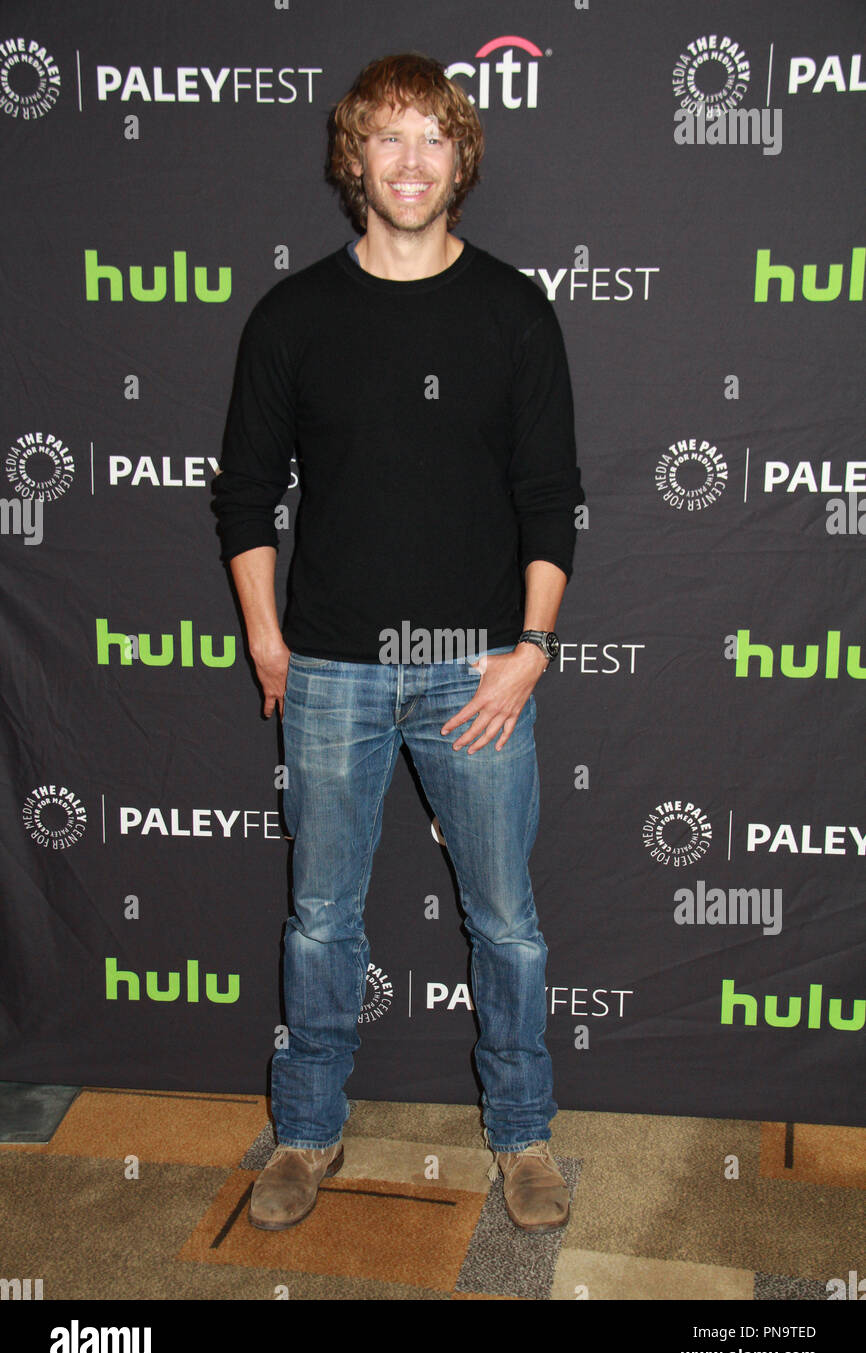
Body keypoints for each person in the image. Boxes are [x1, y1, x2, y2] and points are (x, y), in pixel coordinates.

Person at [212, 51, 583, 1236]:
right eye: (388, 137)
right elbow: (243, 497)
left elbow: (550, 495)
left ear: (459, 158)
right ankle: (307, 1132)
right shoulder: (293, 315)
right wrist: (269, 641)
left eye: (432, 136)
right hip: (328, 671)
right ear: (353, 157)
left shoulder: (512, 310)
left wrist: (530, 648)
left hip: (478, 670)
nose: (411, 160)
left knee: (506, 921)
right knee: (321, 917)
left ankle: (522, 1139)